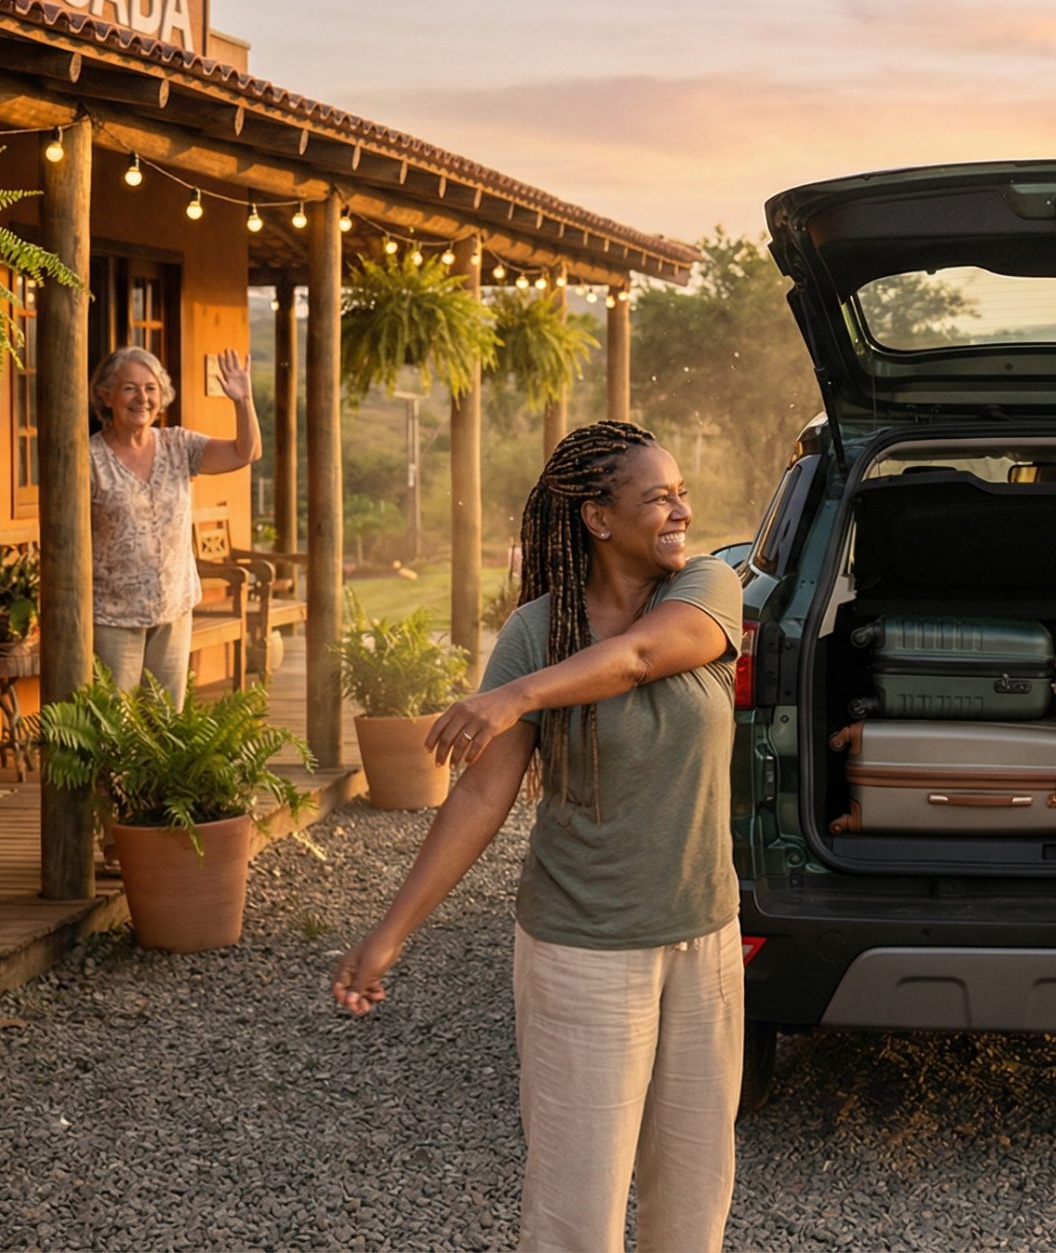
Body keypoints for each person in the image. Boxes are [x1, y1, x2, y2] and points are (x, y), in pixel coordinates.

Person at [332, 421, 744, 1253]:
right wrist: (389, 933)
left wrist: (513, 697)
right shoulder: (537, 629)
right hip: (582, 952)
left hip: (705, 939)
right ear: (597, 518)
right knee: (574, 1217)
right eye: (657, 496)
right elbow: (483, 793)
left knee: (692, 1205)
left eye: (682, 493)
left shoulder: (705, 587)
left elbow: (636, 659)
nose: (680, 510)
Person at [87, 345, 258, 705]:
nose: (142, 398)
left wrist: (243, 401)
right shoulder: (89, 458)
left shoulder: (178, 445)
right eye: (130, 388)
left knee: (165, 726)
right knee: (114, 728)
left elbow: (246, 453)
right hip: (113, 615)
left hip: (173, 608)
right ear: (106, 395)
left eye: (150, 388)